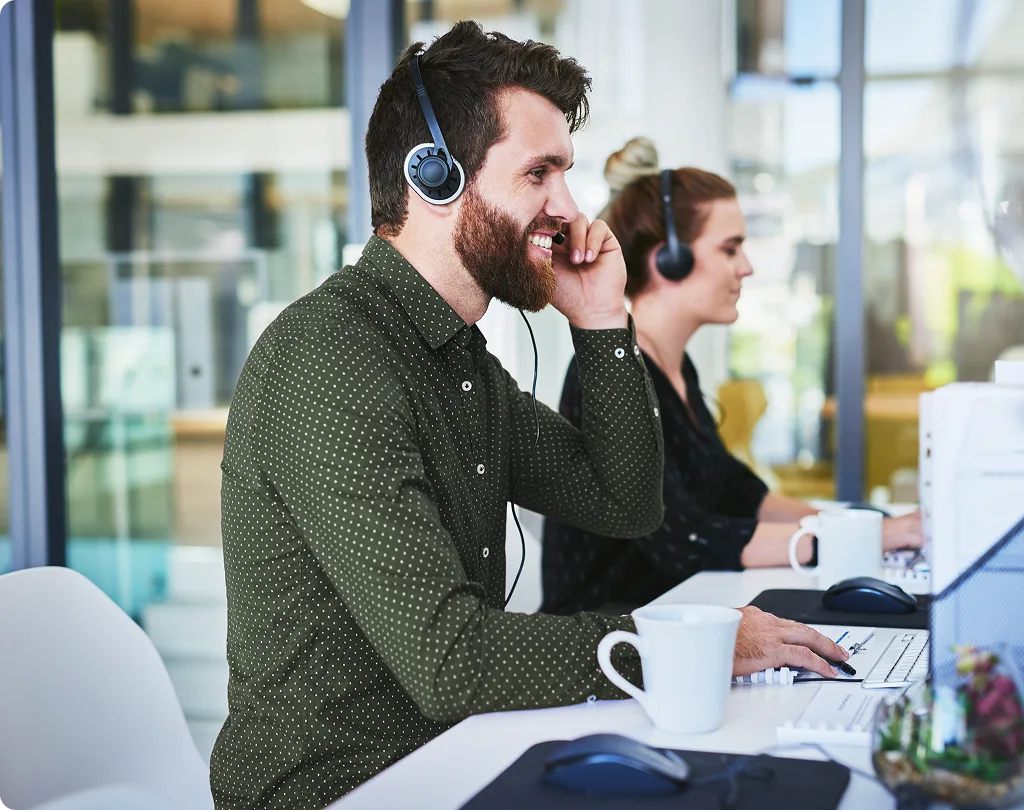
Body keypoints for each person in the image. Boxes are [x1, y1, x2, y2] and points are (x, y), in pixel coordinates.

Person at [211, 27, 850, 810]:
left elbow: (624, 505)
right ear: (434, 178)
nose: (569, 209)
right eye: (539, 173)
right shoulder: (330, 358)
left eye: (566, 174)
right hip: (346, 788)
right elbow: (453, 661)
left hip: (461, 757)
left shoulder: (461, 362)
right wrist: (696, 646)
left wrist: (602, 325)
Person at [542, 138, 923, 615]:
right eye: (730, 248)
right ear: (668, 259)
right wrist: (874, 535)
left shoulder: (676, 367)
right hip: (608, 648)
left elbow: (738, 493)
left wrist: (870, 528)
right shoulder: (607, 375)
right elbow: (687, 540)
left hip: (676, 620)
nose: (747, 266)